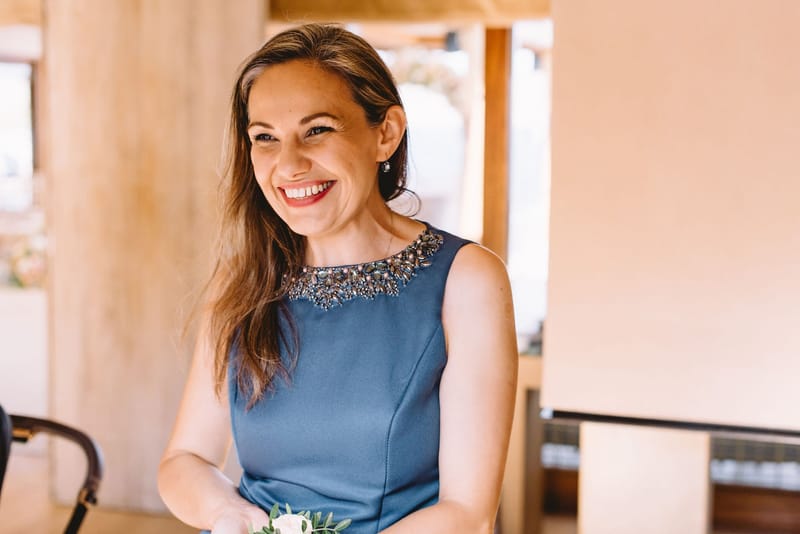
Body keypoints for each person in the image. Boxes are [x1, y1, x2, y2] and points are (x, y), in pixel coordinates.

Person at [157, 23, 518, 534]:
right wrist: (230, 515)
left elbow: (467, 512)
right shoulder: (243, 281)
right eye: (265, 138)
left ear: (385, 133)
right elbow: (185, 459)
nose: (289, 165)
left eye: (317, 130)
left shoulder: (467, 279)